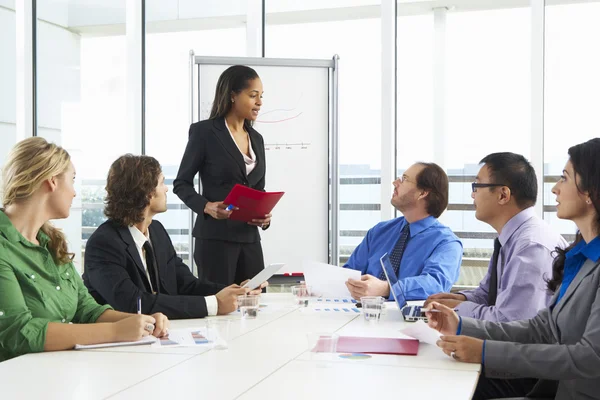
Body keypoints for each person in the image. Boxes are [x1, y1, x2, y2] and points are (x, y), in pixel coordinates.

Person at [427, 138, 600, 400]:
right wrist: (461, 324)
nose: (554, 188)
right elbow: (546, 328)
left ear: (589, 191)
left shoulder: (533, 244)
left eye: (564, 178)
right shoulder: (582, 257)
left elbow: (590, 357)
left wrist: (483, 350)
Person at [0, 138, 169, 362]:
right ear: (52, 181)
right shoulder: (4, 247)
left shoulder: (51, 243)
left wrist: (142, 322)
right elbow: (18, 333)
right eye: (72, 180)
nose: (74, 193)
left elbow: (86, 309)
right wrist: (116, 332)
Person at [84, 155, 266, 319]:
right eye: (162, 183)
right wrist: (214, 305)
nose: (166, 190)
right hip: (116, 348)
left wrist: (235, 292)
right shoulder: (104, 243)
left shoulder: (157, 232)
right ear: (147, 193)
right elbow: (135, 303)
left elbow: (186, 284)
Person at [425, 153, 567, 322]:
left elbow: (512, 321)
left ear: (503, 195)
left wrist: (458, 309)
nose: (472, 195)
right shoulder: (511, 238)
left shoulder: (531, 246)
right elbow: (488, 294)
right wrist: (460, 299)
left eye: (477, 186)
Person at [174, 65, 271, 286]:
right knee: (220, 307)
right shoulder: (205, 133)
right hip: (215, 240)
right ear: (233, 96)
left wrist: (264, 217)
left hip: (250, 239)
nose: (259, 102)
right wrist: (206, 206)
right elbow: (181, 183)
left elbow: (259, 189)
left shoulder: (257, 139)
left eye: (261, 96)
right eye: (253, 95)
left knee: (255, 303)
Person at [343, 162, 462, 301]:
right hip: (361, 316)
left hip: (409, 321)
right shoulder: (379, 231)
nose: (395, 182)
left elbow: (436, 284)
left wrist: (387, 288)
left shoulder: (447, 243)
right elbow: (349, 274)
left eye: (404, 179)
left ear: (423, 193)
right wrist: (318, 285)